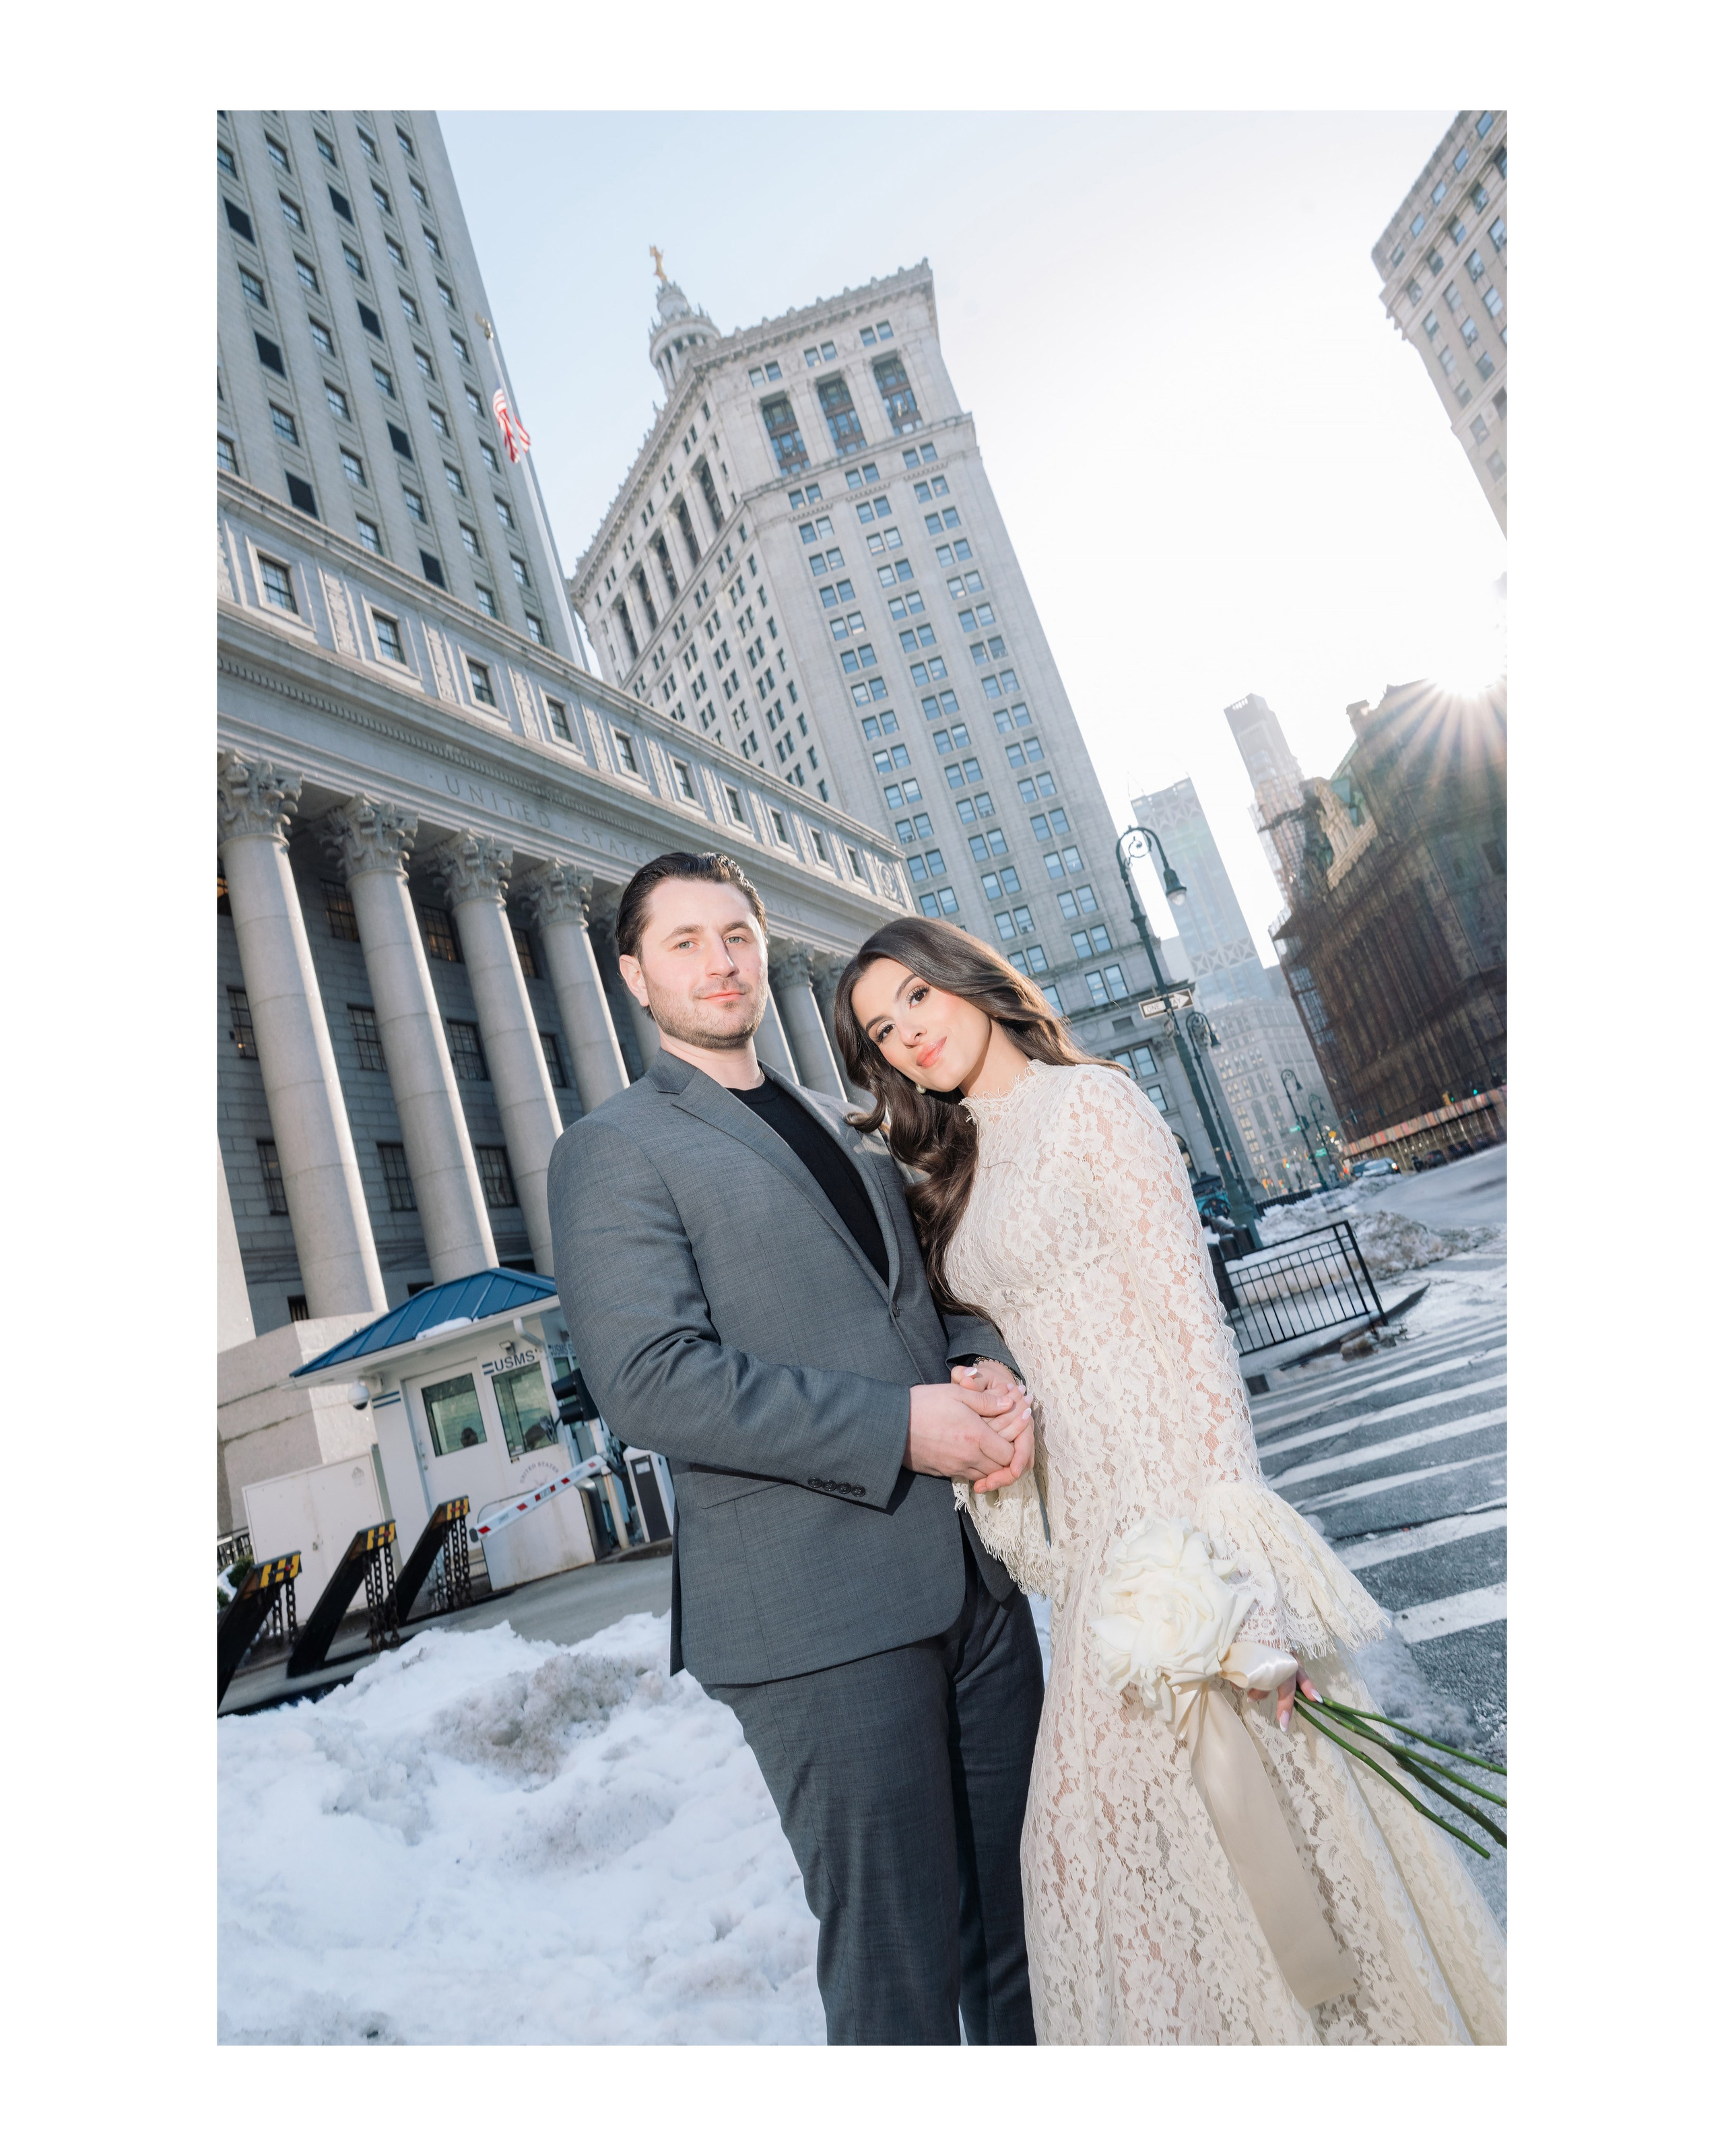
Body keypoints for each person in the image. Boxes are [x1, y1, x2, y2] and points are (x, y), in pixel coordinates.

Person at [835, 915, 1508, 2046]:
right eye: (878, 1030)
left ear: (968, 981)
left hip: (1174, 1519)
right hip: (1085, 1530)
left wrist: (1221, 1557)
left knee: (1240, 1821)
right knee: (1109, 1855)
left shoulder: (1092, 1106)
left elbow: (1193, 1335)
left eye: (914, 998)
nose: (905, 1034)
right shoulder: (957, 1161)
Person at [545, 853, 1047, 2046]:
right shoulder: (613, 1147)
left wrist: (983, 1361)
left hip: (973, 1593)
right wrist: (903, 1426)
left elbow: (929, 1293)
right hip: (814, 1619)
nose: (719, 961)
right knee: (896, 1974)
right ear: (633, 973)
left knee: (1032, 1935)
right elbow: (650, 1381)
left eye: (736, 934)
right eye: (684, 942)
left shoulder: (850, 1118)